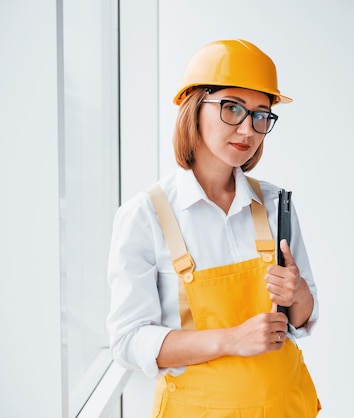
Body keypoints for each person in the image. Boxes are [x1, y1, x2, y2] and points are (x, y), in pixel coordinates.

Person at [106, 39, 321, 417]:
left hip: (286, 406)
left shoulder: (275, 205)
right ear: (193, 109)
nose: (247, 130)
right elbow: (128, 341)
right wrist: (232, 340)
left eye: (260, 114)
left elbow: (300, 320)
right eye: (231, 108)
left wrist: (299, 293)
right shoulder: (145, 216)